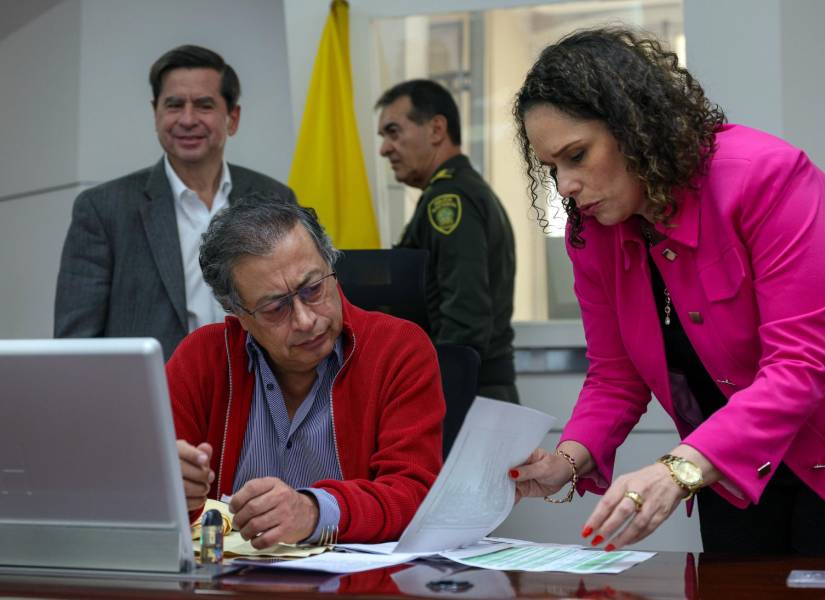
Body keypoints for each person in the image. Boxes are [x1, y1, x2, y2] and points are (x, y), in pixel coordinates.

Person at [509, 27, 825, 554]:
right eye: (552, 167)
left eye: (577, 155)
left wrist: (679, 467)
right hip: (727, 474)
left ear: (635, 128)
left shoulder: (766, 177)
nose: (564, 185)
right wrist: (566, 459)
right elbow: (616, 373)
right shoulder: (592, 236)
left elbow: (801, 363)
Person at [168, 193, 444, 545]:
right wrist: (170, 492)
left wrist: (315, 512)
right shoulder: (202, 358)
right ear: (237, 314)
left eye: (313, 289)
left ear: (332, 268)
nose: (305, 320)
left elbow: (413, 494)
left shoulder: (399, 349)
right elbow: (156, 498)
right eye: (275, 308)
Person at [54, 45, 295, 360]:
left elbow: (295, 310)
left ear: (232, 118)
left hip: (258, 399)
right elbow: (76, 344)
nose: (188, 119)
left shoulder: (274, 199)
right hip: (149, 401)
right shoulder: (104, 209)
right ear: (156, 114)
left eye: (204, 105)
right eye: (174, 105)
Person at [375, 79, 519, 403]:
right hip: (474, 390)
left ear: (436, 129)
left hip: (467, 394)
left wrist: (435, 398)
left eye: (393, 132)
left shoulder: (450, 199)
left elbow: (464, 316)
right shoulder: (462, 191)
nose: (384, 148)